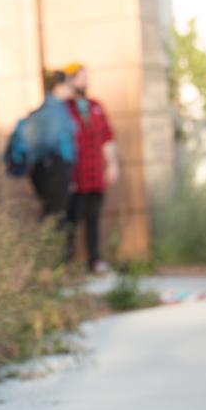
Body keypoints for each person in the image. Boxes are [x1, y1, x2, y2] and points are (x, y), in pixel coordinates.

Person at [63, 63, 118, 274]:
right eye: (79, 77)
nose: (84, 82)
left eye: (86, 77)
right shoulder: (65, 108)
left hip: (95, 174)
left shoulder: (96, 106)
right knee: (71, 220)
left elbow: (107, 137)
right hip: (76, 177)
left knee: (93, 218)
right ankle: (67, 263)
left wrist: (112, 164)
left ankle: (94, 260)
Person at [25, 70, 77, 219]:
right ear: (58, 86)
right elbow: (53, 141)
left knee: (51, 213)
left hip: (46, 168)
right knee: (56, 217)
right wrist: (66, 168)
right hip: (55, 168)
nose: (71, 89)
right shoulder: (54, 111)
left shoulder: (49, 109)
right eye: (68, 85)